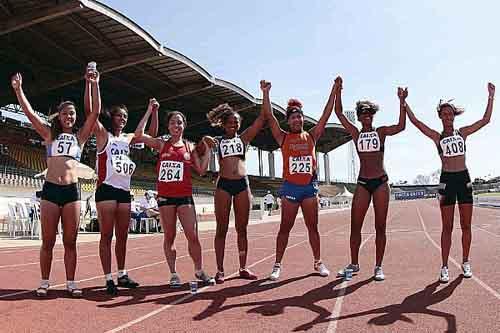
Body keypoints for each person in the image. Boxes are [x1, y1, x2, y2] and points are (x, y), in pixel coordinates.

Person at [11, 67, 100, 297]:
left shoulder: (80, 138)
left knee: (70, 242)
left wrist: (92, 83)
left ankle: (71, 282)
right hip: (50, 191)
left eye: (72, 114)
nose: (69, 117)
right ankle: (44, 282)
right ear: (59, 117)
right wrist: (19, 91)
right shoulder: (50, 136)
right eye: (65, 114)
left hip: (72, 192)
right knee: (48, 241)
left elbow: (95, 113)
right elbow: (30, 114)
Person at [405, 83, 495, 282]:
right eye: (444, 114)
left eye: (450, 114)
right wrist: (404, 102)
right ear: (440, 117)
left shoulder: (462, 133)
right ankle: (444, 266)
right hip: (446, 181)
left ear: (454, 116)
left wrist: (491, 96)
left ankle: (465, 262)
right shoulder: (437, 137)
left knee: (466, 225)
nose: (447, 117)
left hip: (464, 179)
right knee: (447, 227)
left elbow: (486, 120)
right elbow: (417, 123)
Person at [261, 79, 335, 281]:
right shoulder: (283, 137)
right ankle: (277, 265)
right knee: (285, 227)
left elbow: (326, 114)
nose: (297, 120)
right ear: (288, 121)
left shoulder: (312, 135)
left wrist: (335, 90)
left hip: (309, 188)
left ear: (303, 119)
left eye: (299, 117)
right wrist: (265, 93)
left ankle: (318, 262)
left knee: (313, 228)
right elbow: (269, 116)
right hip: (291, 188)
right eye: (293, 118)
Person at [334, 77, 406, 281]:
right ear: (358, 117)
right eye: (362, 113)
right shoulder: (356, 134)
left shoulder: (381, 132)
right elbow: (338, 113)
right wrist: (339, 90)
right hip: (363, 183)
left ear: (373, 116)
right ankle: (354, 264)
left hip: (381, 182)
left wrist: (402, 102)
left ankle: (378, 266)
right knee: (355, 225)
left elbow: (401, 126)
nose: (366, 116)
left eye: (369, 113)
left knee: (380, 227)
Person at [135, 106, 215, 287]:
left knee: (192, 236)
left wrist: (208, 149)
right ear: (168, 126)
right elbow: (139, 134)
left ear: (184, 126)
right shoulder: (162, 144)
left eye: (179, 122)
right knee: (169, 237)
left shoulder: (190, 147)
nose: (176, 125)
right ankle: (173, 273)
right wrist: (149, 110)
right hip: (165, 199)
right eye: (172, 123)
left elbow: (201, 170)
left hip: (184, 197)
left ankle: (199, 270)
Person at [90, 90, 158, 296]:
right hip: (106, 189)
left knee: (122, 236)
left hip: (124, 191)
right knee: (106, 236)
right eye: (119, 115)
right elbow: (91, 112)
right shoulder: (104, 135)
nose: (122, 119)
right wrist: (94, 84)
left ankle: (122, 274)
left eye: (125, 117)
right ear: (112, 117)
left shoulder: (128, 139)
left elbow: (149, 135)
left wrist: (151, 111)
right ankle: (108, 278)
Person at [201, 103, 265, 284]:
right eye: (230, 122)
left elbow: (260, 121)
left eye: (236, 122)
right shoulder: (218, 141)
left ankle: (243, 267)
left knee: (242, 229)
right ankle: (220, 270)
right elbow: (198, 152)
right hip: (224, 185)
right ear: (223, 123)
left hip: (242, 185)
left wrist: (265, 94)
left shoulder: (244, 138)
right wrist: (204, 139)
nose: (233, 125)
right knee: (221, 229)